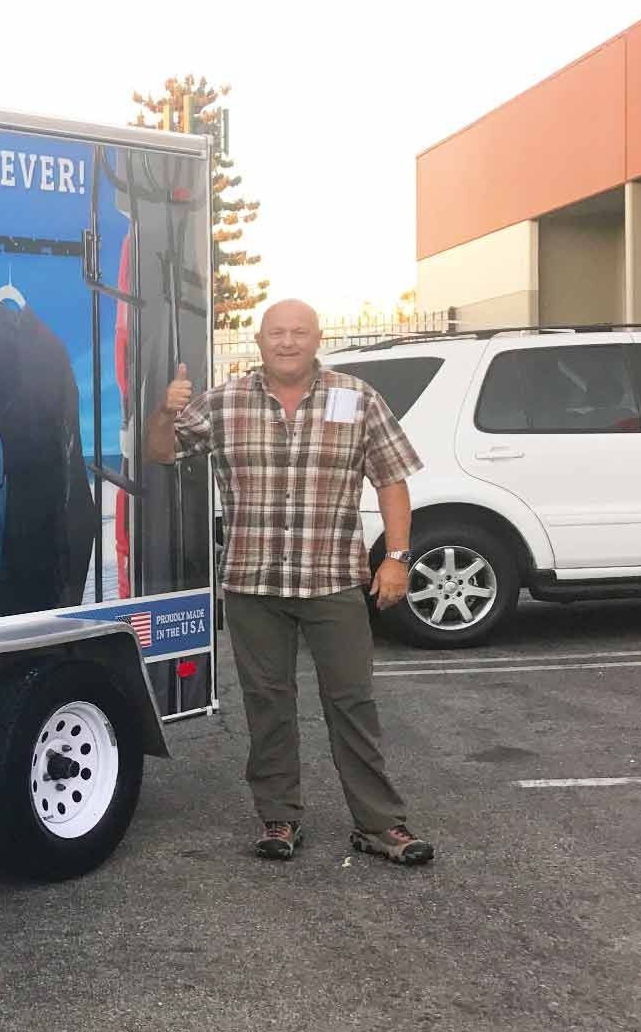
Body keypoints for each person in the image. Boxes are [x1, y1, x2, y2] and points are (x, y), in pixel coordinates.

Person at [145, 298, 435, 866]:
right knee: (267, 704)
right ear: (259, 341)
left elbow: (392, 479)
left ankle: (379, 824)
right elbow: (162, 452)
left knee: (352, 702)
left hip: (333, 580)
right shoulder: (224, 401)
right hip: (253, 582)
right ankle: (278, 818)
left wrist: (397, 558)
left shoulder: (358, 398)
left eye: (299, 332)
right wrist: (163, 412)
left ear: (317, 338)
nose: (287, 342)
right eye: (276, 332)